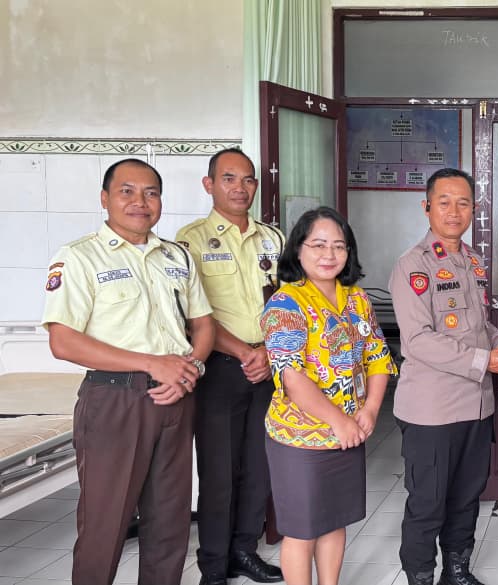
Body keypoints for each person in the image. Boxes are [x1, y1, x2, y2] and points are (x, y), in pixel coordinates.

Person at [43, 158, 216, 585]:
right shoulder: (79, 257)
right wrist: (152, 363)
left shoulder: (176, 256)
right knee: (105, 524)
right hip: (115, 400)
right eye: (127, 191)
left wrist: (191, 368)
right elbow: (63, 342)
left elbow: (203, 324)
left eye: (151, 193)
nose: (140, 201)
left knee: (170, 521)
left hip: (177, 397)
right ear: (105, 199)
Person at [389, 168, 498, 585]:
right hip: (431, 409)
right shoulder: (412, 266)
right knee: (428, 503)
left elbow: (478, 326)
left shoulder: (472, 261)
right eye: (445, 202)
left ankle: (457, 571)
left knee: (468, 496)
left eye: (463, 202)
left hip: (476, 405)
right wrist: (487, 361)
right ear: (427, 207)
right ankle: (420, 577)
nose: (454, 211)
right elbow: (418, 341)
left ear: (474, 209)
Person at [260, 206, 396, 585]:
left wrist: (371, 410)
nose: (329, 254)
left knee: (335, 521)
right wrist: (338, 420)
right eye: (318, 245)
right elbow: (290, 375)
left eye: (339, 246)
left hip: (348, 434)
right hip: (300, 439)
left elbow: (378, 357)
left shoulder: (356, 299)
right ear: (298, 250)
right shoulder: (286, 303)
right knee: (302, 531)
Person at [175, 148, 284, 585]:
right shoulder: (190, 241)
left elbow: (287, 303)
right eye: (229, 179)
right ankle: (214, 565)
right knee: (219, 472)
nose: (240, 188)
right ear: (209, 184)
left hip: (269, 365)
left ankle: (244, 551)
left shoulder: (272, 239)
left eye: (248, 179)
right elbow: (194, 315)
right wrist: (244, 352)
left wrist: (270, 353)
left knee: (259, 466)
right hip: (219, 369)